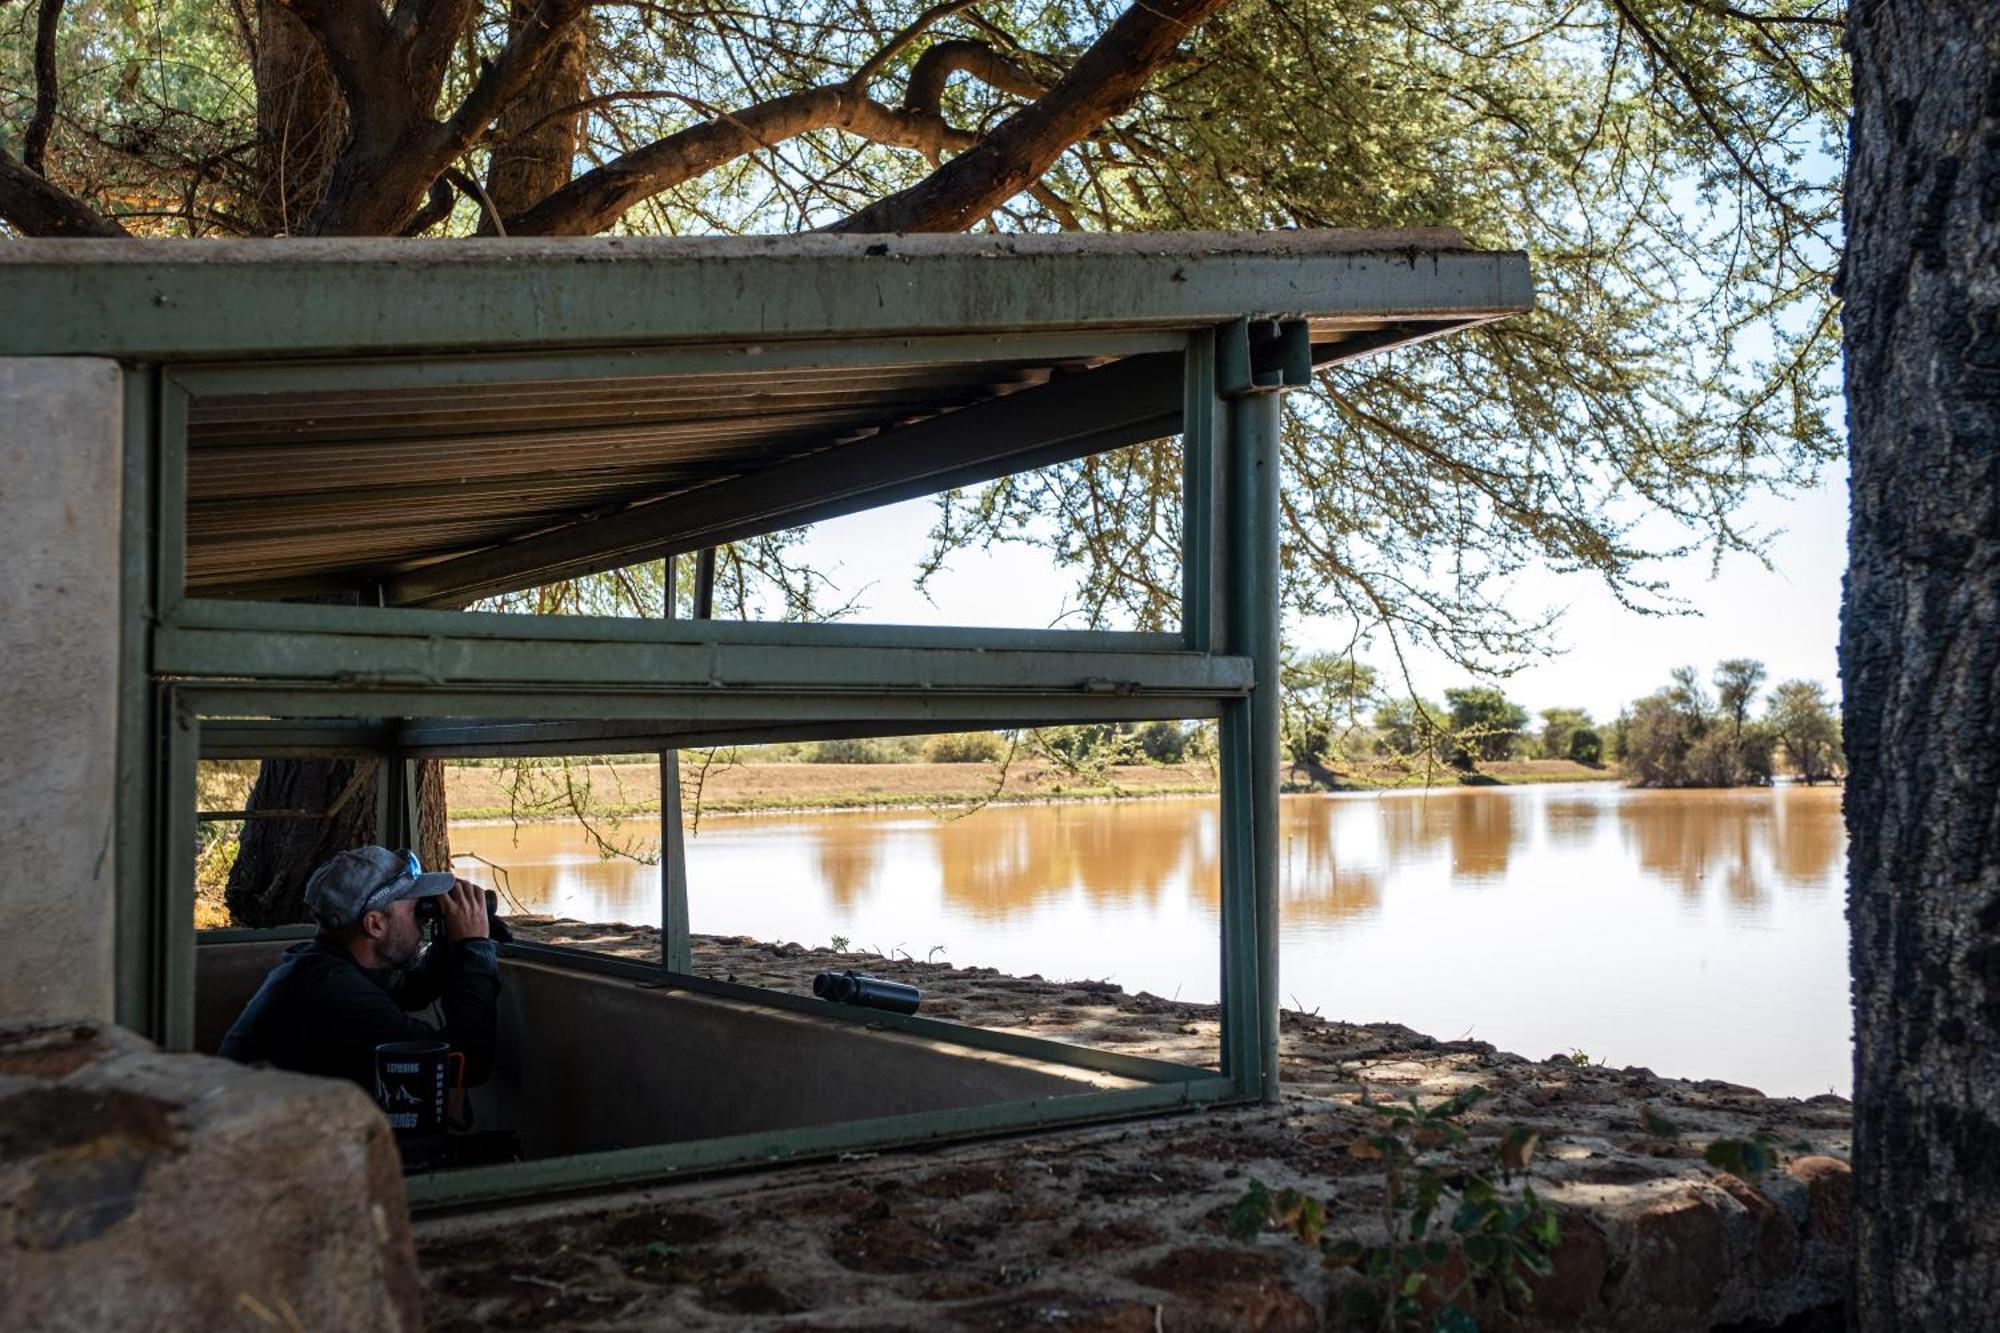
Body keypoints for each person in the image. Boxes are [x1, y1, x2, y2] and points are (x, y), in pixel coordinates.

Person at [220, 845, 501, 1094]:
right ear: (374, 924)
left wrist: (453, 940)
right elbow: (467, 1062)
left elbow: (411, 993)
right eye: (417, 911)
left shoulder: (320, 967)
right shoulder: (333, 994)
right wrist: (475, 945)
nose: (423, 921)